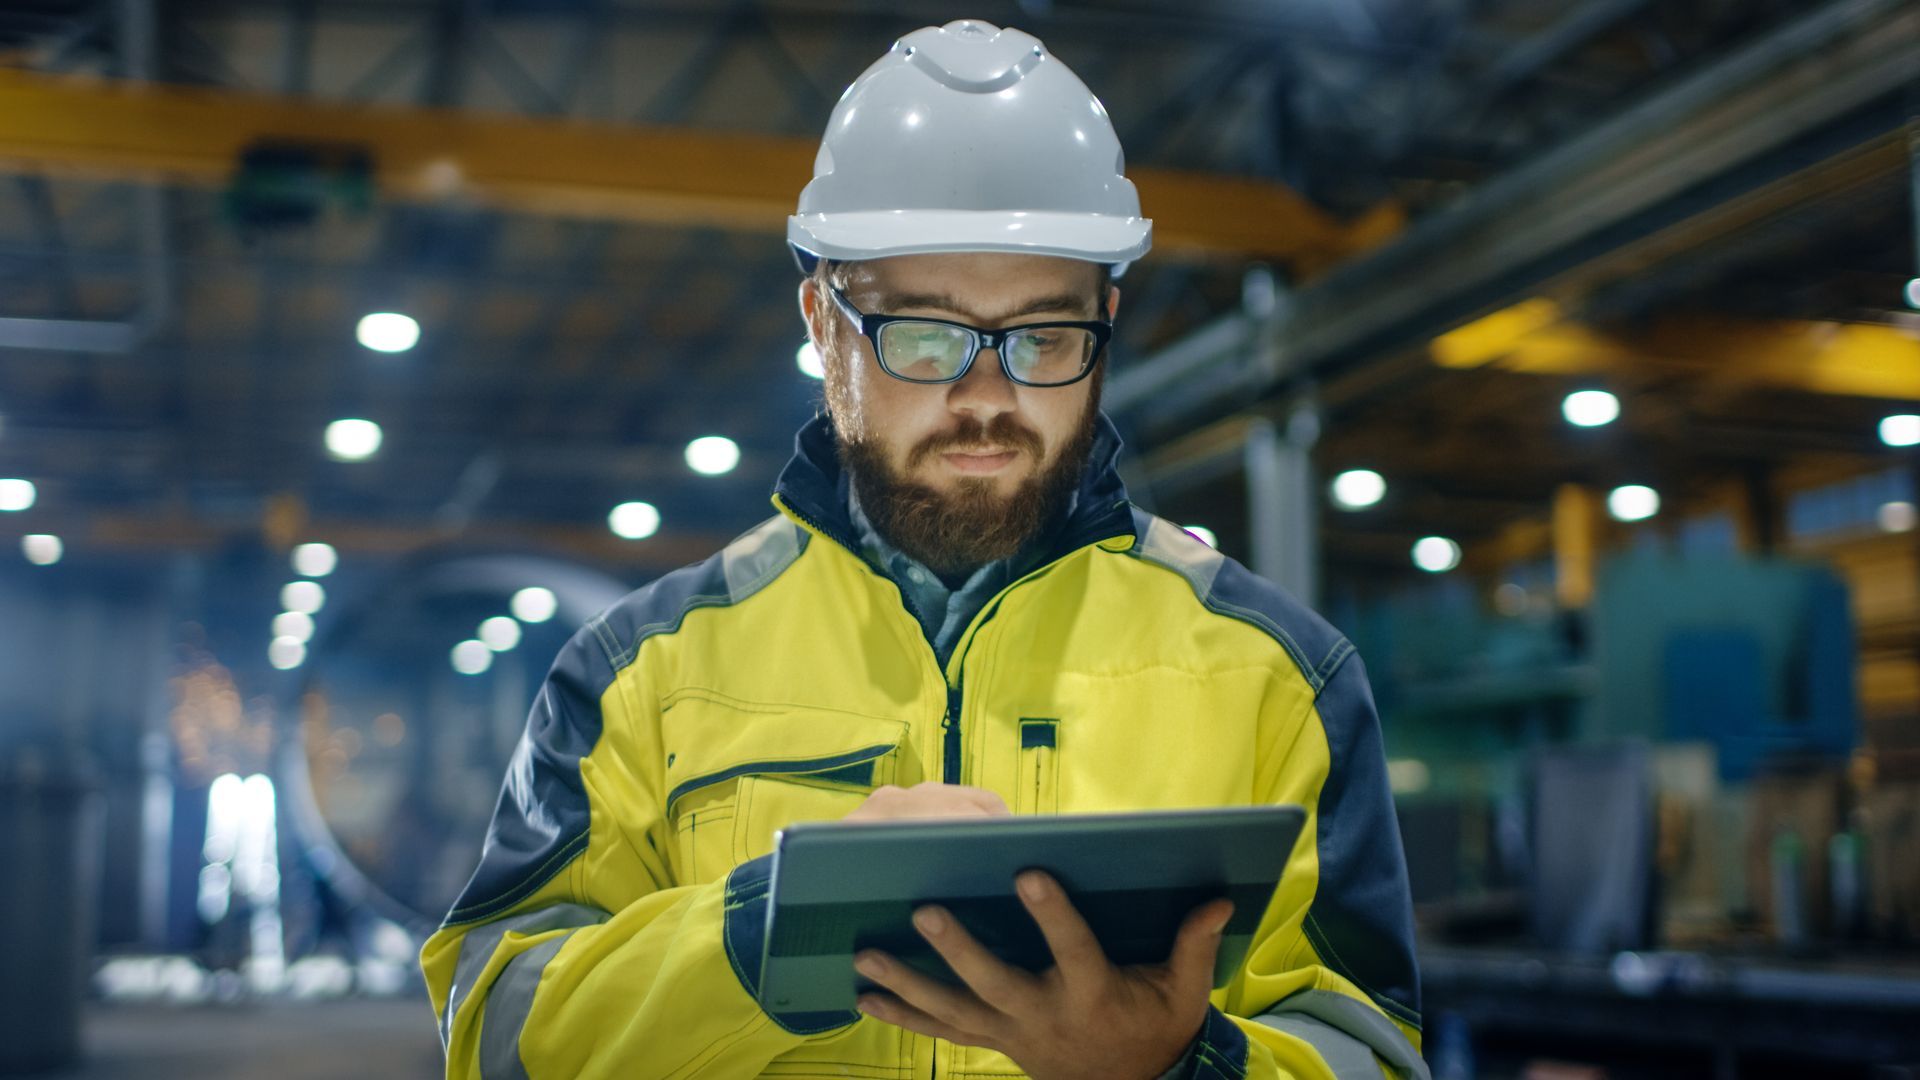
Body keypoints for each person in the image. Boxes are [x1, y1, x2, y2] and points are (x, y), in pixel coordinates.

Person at [421, 19, 1422, 1080]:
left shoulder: (1277, 676)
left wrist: (1178, 1066)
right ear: (821, 319)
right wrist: (756, 938)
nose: (986, 398)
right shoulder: (640, 675)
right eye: (926, 336)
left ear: (1106, 319)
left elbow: (1373, 1052)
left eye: (1044, 337)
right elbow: (495, 1038)